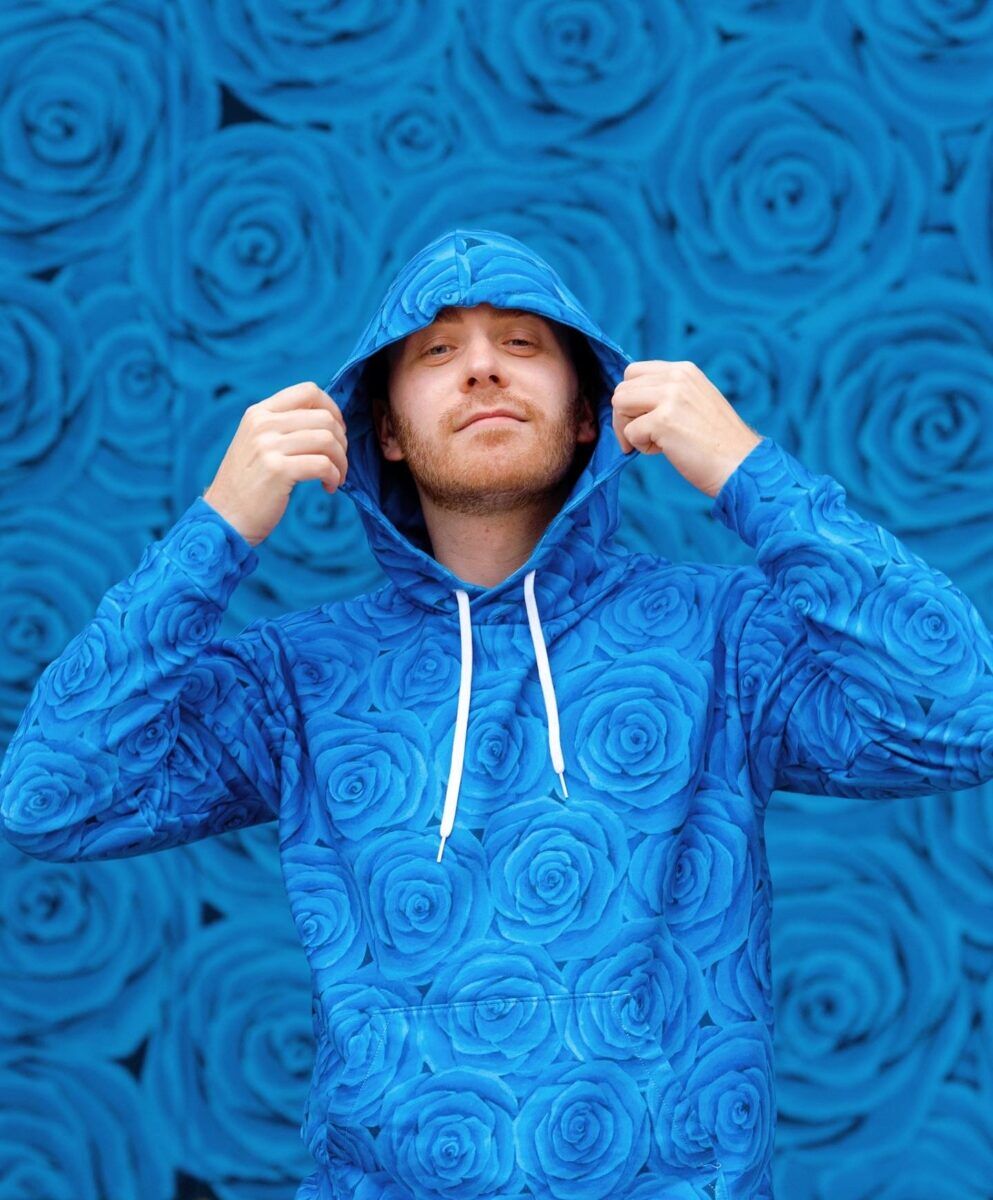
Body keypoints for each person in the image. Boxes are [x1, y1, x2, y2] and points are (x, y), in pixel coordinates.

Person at [2, 226, 992, 1200]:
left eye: (522, 344)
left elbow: (964, 714)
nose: (482, 369)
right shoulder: (296, 682)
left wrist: (747, 469)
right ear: (380, 427)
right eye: (437, 351)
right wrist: (217, 526)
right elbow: (50, 797)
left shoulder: (724, 642)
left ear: (588, 414)